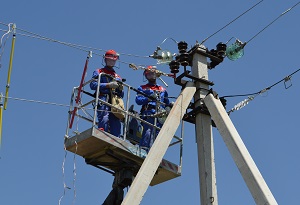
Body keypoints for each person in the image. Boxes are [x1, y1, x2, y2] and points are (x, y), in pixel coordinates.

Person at [135, 66, 172, 150]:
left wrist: (170, 106)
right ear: (146, 76)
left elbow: (166, 103)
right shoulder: (143, 88)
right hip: (149, 112)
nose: (151, 76)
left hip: (160, 114)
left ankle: (156, 153)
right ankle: (144, 149)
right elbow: (138, 100)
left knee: (159, 135)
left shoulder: (162, 90)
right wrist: (148, 98)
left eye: (153, 74)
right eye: (149, 75)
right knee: (148, 132)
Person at [90, 49, 124, 137]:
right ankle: (102, 135)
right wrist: (108, 85)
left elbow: (122, 94)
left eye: (113, 60)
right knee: (104, 118)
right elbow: (93, 85)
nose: (112, 61)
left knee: (116, 122)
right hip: (103, 98)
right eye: (110, 59)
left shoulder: (118, 76)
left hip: (114, 101)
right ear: (105, 60)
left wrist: (120, 89)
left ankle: (116, 139)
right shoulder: (99, 72)